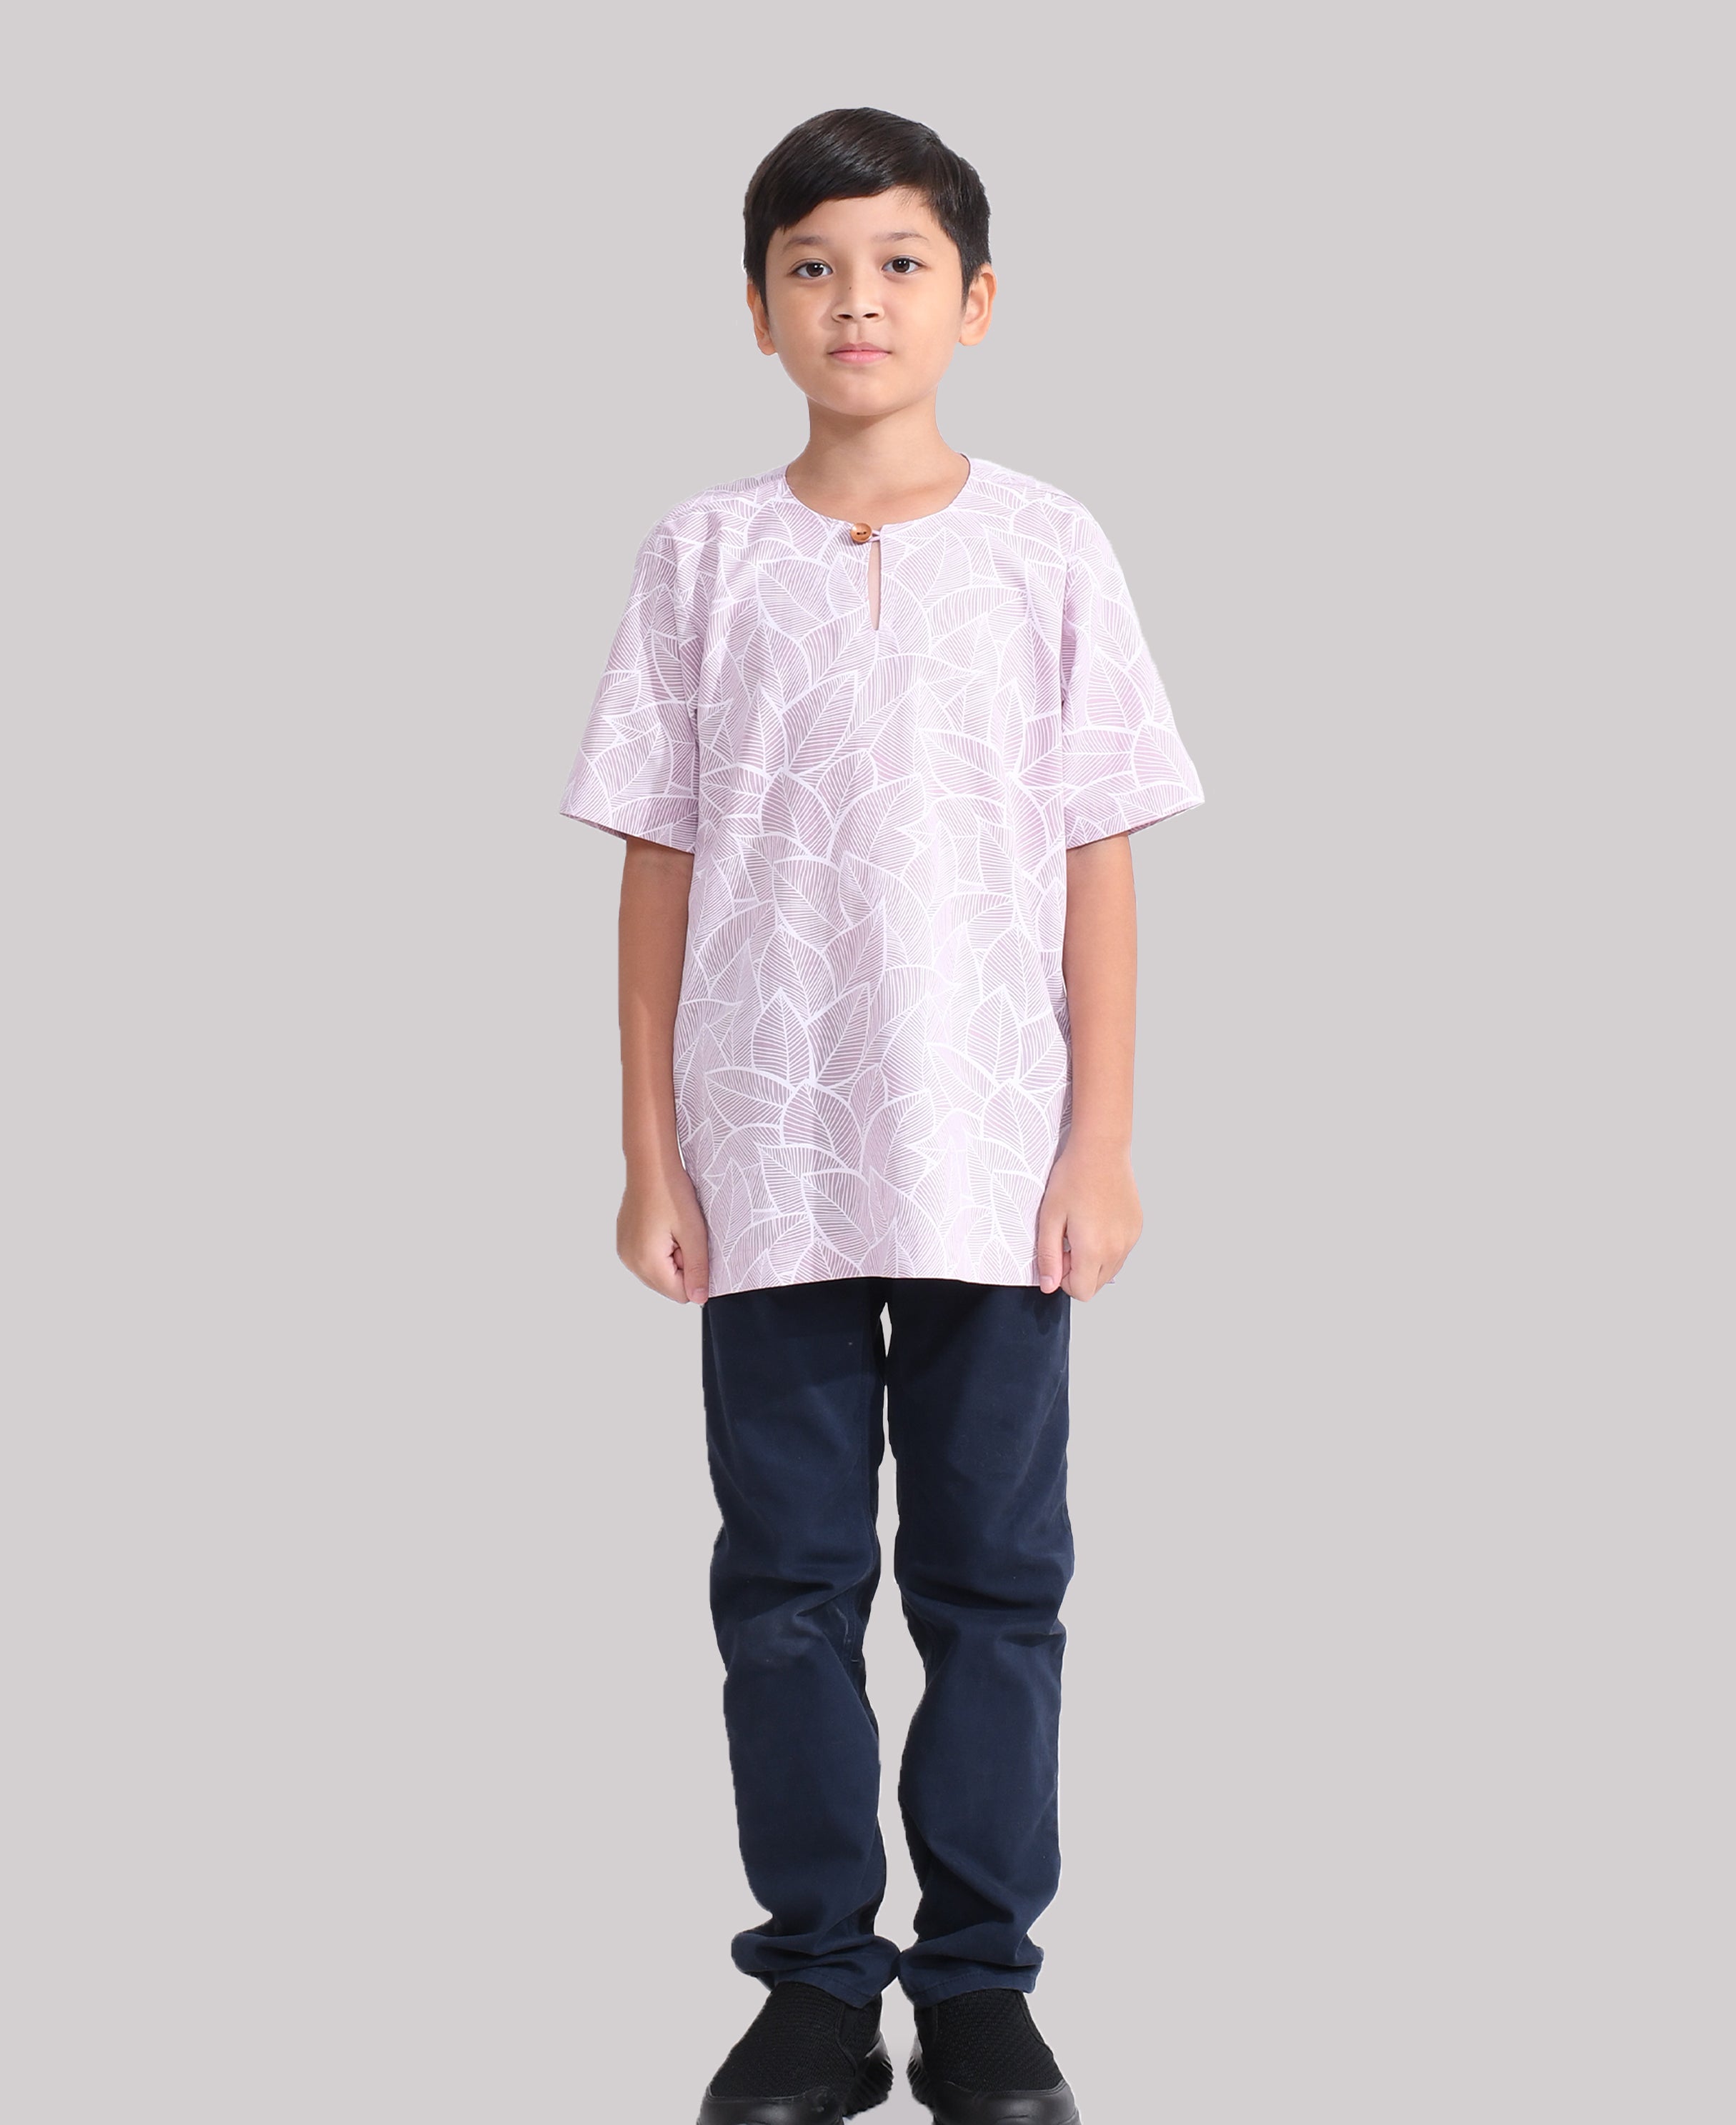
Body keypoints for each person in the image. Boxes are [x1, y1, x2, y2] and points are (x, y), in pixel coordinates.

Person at [559, 106, 1204, 2125]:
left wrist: (1100, 1142)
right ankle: (820, 1991)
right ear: (757, 309)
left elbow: (1100, 860)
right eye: (814, 266)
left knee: (999, 1586)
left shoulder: (1049, 547)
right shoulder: (702, 556)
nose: (859, 299)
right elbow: (657, 866)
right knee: (786, 1592)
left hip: (996, 1158)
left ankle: (983, 1991)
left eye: (902, 262)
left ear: (977, 301)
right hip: (768, 1166)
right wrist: (653, 1156)